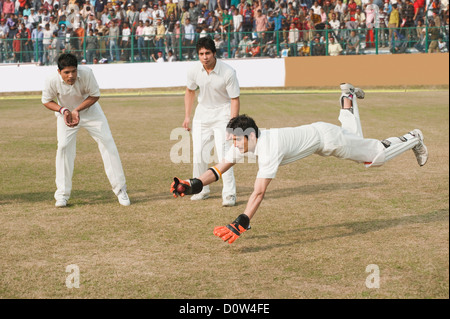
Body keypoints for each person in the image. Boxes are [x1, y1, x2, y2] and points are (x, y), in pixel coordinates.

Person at [171, 83, 429, 244]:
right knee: (358, 139)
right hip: (320, 134)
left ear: (249, 136)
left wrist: (242, 221)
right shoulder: (247, 140)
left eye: (235, 140)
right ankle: (347, 97)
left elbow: (258, 192)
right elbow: (218, 169)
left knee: (375, 157)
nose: (232, 145)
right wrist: (193, 184)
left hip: (329, 141)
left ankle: (413, 137)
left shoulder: (269, 148)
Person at [41, 53, 130, 208]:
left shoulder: (87, 73)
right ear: (59, 72)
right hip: (66, 115)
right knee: (63, 147)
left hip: (91, 113)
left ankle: (120, 189)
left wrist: (77, 110)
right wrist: (64, 111)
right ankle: (62, 194)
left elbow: (95, 95)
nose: (71, 76)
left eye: (73, 71)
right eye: (66, 72)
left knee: (107, 142)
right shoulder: (51, 80)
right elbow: (46, 101)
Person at [183, 37, 240, 207]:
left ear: (214, 53)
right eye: (201, 54)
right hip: (202, 115)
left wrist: (232, 125)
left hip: (223, 113)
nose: (205, 57)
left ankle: (229, 194)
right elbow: (189, 91)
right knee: (199, 153)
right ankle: (201, 189)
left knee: (224, 155)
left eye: (208, 53)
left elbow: (235, 99)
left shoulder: (228, 72)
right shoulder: (194, 70)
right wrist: (187, 116)